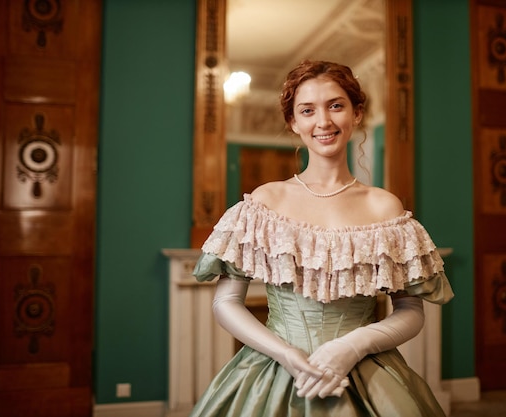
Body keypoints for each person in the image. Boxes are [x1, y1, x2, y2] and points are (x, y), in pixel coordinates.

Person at [190, 60, 454, 417]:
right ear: (293, 122)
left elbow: (410, 311)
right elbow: (226, 303)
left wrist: (353, 346)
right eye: (307, 110)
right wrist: (288, 355)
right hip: (277, 366)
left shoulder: (384, 207)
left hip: (367, 367)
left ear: (356, 113)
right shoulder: (265, 202)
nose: (323, 122)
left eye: (336, 105)